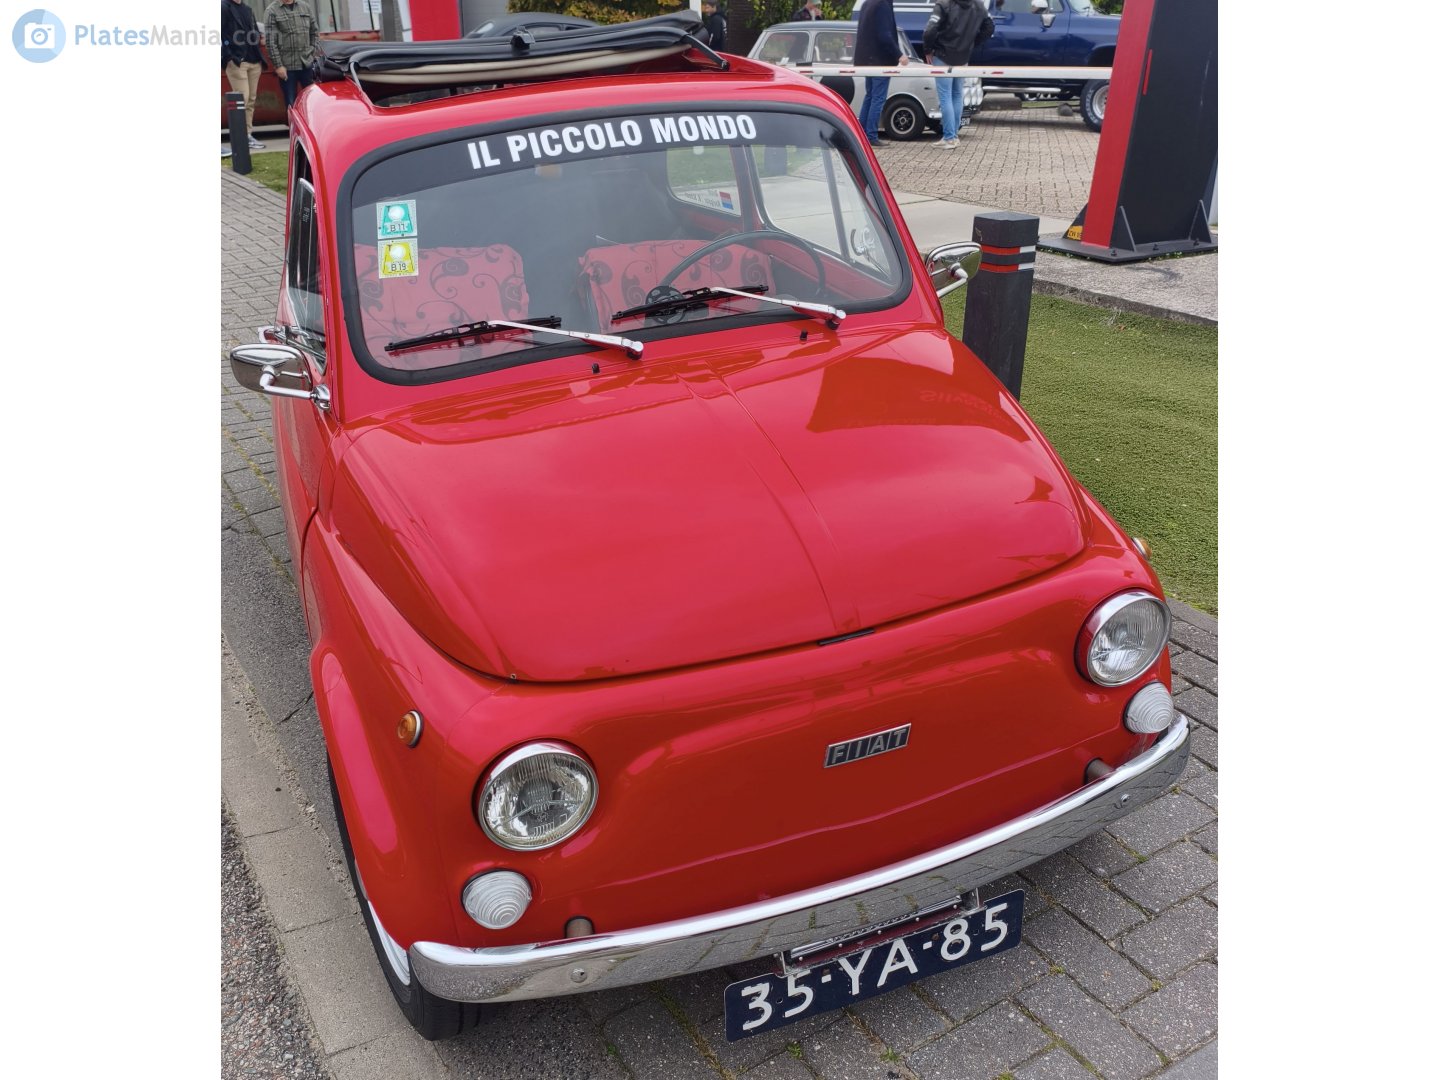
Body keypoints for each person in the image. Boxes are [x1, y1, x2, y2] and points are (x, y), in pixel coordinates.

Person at [922, 0, 993, 148]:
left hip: (942, 56)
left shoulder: (943, 4)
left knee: (945, 96)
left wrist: (928, 49)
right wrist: (972, 43)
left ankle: (949, 138)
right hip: (963, 57)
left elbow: (930, 30)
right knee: (957, 94)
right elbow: (989, 28)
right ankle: (953, 136)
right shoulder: (979, 5)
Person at [854, 0, 907, 148]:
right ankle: (871, 135)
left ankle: (861, 134)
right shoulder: (883, 4)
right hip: (879, 60)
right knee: (877, 98)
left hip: (866, 59)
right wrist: (899, 55)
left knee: (870, 96)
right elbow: (885, 35)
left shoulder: (867, 3)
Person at [222, 0, 266, 151]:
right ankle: (241, 137)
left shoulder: (247, 8)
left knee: (251, 100)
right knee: (242, 100)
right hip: (237, 63)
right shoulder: (223, 7)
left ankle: (247, 135)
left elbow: (253, 29)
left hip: (254, 61)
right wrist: (229, 57)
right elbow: (219, 34)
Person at [262, 0, 322, 109]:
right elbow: (271, 42)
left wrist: (312, 51)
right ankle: (293, 125)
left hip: (306, 64)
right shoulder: (272, 11)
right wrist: (278, 65)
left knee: (311, 101)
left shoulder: (305, 7)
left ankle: (310, 126)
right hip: (286, 67)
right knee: (291, 104)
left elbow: (314, 32)